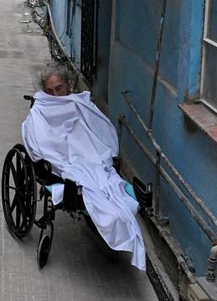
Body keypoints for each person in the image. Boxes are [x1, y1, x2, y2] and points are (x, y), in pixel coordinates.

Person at [21, 62, 146, 270]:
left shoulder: (81, 104)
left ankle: (114, 216)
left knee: (107, 184)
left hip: (89, 156)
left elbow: (99, 129)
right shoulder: (40, 111)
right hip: (62, 161)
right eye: (50, 91)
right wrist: (59, 157)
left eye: (59, 88)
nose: (55, 94)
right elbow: (39, 140)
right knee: (91, 184)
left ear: (68, 85)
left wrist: (99, 154)